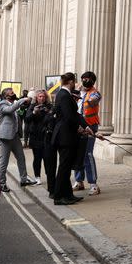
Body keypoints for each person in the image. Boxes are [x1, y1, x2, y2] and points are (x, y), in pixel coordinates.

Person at [51, 73, 91, 205]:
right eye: (74, 81)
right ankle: (58, 196)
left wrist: (86, 125)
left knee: (66, 167)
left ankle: (68, 195)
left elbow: (75, 114)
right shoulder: (64, 95)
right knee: (64, 167)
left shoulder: (64, 94)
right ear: (70, 82)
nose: (76, 84)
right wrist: (79, 128)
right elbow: (69, 117)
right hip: (65, 136)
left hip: (67, 135)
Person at [0, 87, 34, 192]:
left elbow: (18, 114)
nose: (14, 94)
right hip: (5, 137)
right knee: (4, 162)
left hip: (15, 137)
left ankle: (24, 179)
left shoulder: (13, 104)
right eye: (11, 93)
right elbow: (10, 110)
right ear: (6, 95)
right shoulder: (2, 104)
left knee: (21, 158)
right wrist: (23, 99)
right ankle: (1, 184)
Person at [73, 71, 101, 195]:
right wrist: (76, 93)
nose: (85, 81)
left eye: (87, 79)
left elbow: (93, 102)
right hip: (78, 127)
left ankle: (93, 184)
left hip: (90, 126)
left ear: (92, 81)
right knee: (77, 154)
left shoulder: (95, 93)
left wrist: (82, 93)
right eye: (83, 79)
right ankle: (79, 181)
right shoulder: (77, 93)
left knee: (87, 154)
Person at [25, 89, 54, 185]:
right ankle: (37, 176)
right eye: (39, 96)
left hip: (46, 136)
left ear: (46, 98)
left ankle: (49, 175)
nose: (41, 98)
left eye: (43, 96)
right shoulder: (32, 106)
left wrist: (48, 112)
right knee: (37, 158)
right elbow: (27, 119)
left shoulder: (49, 106)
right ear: (36, 98)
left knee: (47, 157)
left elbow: (54, 119)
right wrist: (34, 112)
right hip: (35, 136)